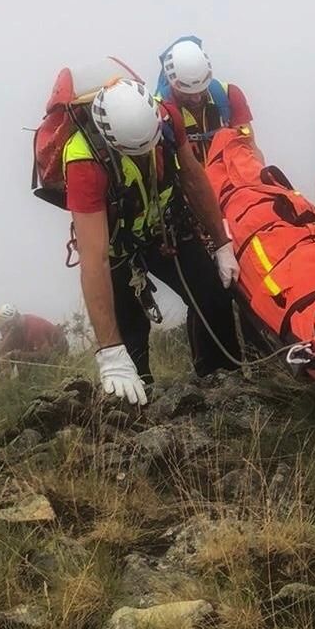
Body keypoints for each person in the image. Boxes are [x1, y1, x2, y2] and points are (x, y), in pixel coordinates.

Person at [64, 78, 242, 405]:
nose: (147, 153)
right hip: (117, 248)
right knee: (130, 340)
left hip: (164, 229)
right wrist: (109, 351)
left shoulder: (166, 117)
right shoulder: (83, 161)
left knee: (213, 297)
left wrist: (221, 243)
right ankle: (136, 412)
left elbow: (192, 176)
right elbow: (95, 260)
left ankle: (223, 387)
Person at [154, 36, 263, 165]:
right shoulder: (159, 112)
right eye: (187, 94)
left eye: (202, 90)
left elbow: (250, 148)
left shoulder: (228, 95)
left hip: (229, 180)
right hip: (188, 182)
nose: (196, 99)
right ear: (173, 84)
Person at [0, 303, 68, 379]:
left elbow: (44, 355)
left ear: (11, 322)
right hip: (33, 345)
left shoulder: (35, 328)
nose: (4, 331)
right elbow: (8, 337)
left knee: (24, 361)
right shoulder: (17, 324)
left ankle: (28, 381)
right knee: (4, 350)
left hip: (56, 350)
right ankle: (5, 383)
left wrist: (17, 355)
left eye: (5, 327)